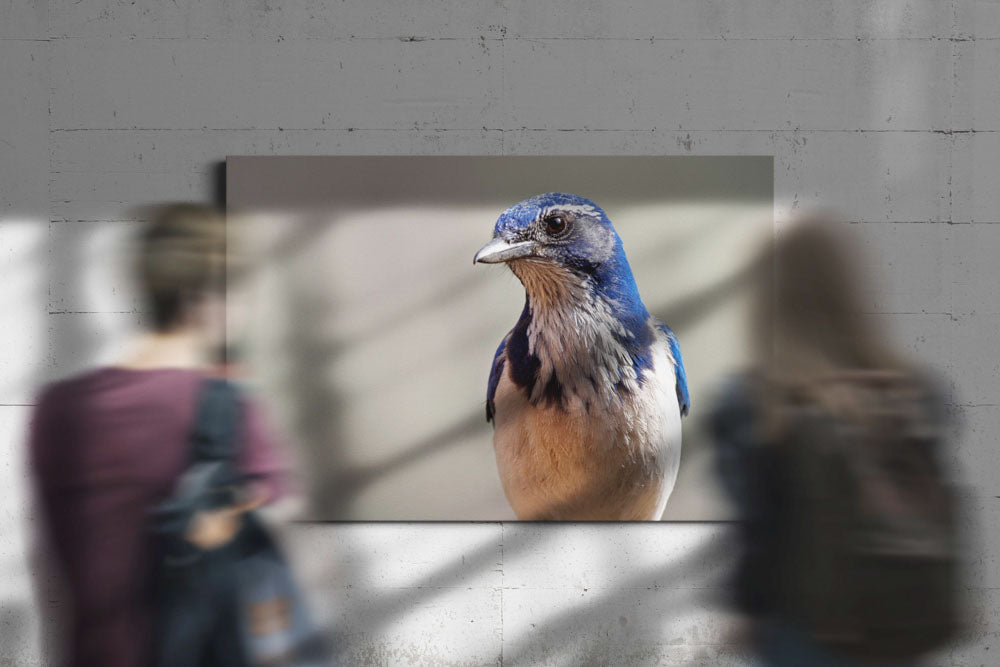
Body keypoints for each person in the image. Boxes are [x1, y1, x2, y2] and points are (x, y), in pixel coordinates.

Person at [29, 204, 288, 666]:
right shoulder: (226, 411)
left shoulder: (55, 410)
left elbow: (52, 575)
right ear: (209, 297)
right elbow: (268, 592)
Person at [709, 215, 961, 666]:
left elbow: (760, 530)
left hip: (806, 631)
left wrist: (747, 610)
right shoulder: (917, 391)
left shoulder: (755, 402)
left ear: (766, 297)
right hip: (904, 620)